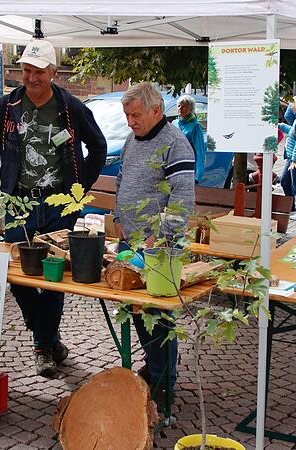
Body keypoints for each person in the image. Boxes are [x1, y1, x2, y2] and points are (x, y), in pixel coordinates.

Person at [0, 39, 107, 377]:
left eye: (38, 72)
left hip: (60, 205)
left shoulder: (71, 107)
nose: (31, 78)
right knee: (20, 275)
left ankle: (43, 346)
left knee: (55, 275)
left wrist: (78, 191)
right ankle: (47, 335)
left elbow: (98, 146)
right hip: (20, 204)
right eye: (26, 70)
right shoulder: (6, 107)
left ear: (53, 73)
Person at [113, 82, 196, 406]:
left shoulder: (176, 143)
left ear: (156, 111)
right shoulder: (132, 140)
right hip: (129, 241)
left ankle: (165, 381)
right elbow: (121, 179)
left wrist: (159, 237)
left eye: (136, 115)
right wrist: (117, 215)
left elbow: (182, 199)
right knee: (137, 312)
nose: (131, 121)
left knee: (158, 316)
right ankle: (157, 366)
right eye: (127, 115)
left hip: (158, 248)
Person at [173, 95, 206, 184]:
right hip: (175, 169)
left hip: (188, 169)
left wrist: (197, 177)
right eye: (179, 106)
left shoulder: (195, 127)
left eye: (184, 106)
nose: (180, 108)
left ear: (191, 109)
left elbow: (200, 152)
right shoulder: (174, 123)